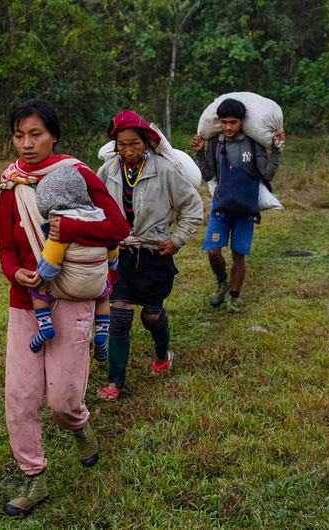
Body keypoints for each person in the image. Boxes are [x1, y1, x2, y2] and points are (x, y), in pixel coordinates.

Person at [0, 98, 129, 517]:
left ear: (53, 136)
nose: (26, 144)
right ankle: (34, 477)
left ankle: (79, 424)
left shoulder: (77, 175)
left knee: (63, 401)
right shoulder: (10, 184)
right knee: (20, 397)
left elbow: (117, 228)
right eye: (19, 135)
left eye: (35, 134)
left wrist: (66, 227)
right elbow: (3, 248)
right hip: (25, 304)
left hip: (70, 299)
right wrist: (16, 273)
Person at [95, 109, 203, 401]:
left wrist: (177, 240)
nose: (128, 151)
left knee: (152, 316)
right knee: (119, 314)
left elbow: (193, 208)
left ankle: (161, 353)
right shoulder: (108, 172)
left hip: (155, 255)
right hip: (122, 255)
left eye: (135, 144)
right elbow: (94, 206)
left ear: (146, 142)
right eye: (122, 144)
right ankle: (115, 381)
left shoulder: (165, 171)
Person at [190, 98, 285, 313]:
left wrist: (277, 151)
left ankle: (234, 296)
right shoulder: (216, 143)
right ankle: (222, 282)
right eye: (224, 122)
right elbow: (208, 174)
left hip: (245, 210)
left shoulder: (253, 144)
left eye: (233, 122)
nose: (228, 127)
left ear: (242, 121)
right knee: (213, 252)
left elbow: (268, 173)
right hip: (220, 208)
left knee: (238, 255)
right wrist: (199, 153)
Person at [28, 165, 120, 354]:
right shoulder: (100, 220)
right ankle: (102, 332)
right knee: (104, 297)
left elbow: (51, 260)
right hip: (96, 287)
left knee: (37, 292)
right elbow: (113, 253)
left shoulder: (60, 226)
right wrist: (112, 264)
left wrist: (42, 278)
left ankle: (45, 326)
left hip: (69, 288)